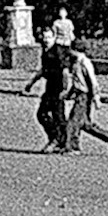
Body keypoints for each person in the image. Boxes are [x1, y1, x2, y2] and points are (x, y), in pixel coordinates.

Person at [21, 18, 74, 153]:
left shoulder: (58, 52)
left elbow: (65, 72)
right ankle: (57, 139)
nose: (46, 40)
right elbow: (43, 70)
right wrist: (31, 83)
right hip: (49, 88)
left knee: (58, 117)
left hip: (57, 89)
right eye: (44, 37)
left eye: (49, 37)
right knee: (42, 114)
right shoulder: (45, 52)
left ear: (55, 37)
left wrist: (65, 89)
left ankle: (61, 142)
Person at [63, 45, 108, 155]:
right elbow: (76, 82)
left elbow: (92, 81)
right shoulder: (75, 62)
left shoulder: (84, 62)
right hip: (79, 94)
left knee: (73, 122)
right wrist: (69, 94)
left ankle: (74, 148)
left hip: (84, 96)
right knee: (86, 124)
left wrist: (96, 97)